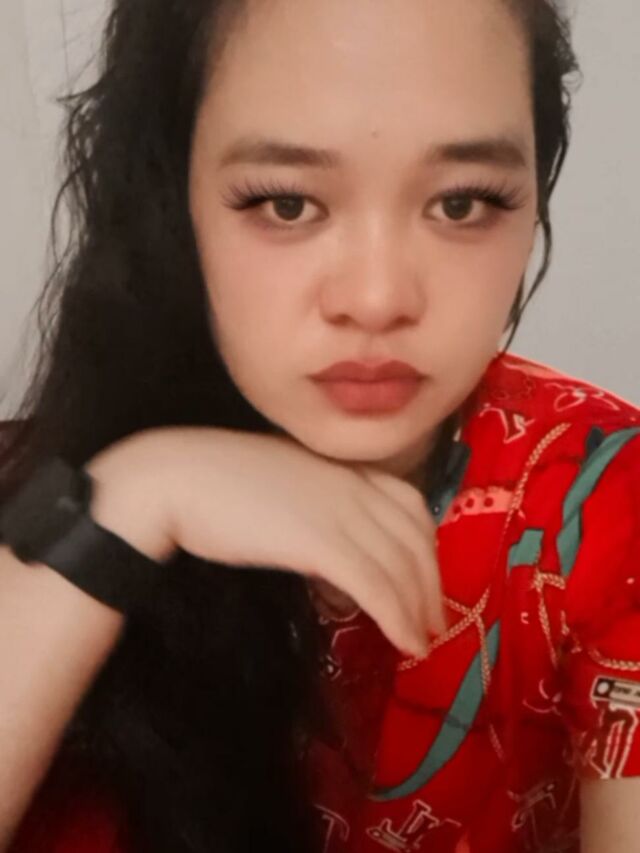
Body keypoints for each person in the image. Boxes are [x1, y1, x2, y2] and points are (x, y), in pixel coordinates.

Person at [0, 0, 638, 850]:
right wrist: (133, 501)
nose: (376, 298)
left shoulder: (601, 498)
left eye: (462, 203)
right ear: (172, 203)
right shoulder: (55, 493)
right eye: (288, 203)